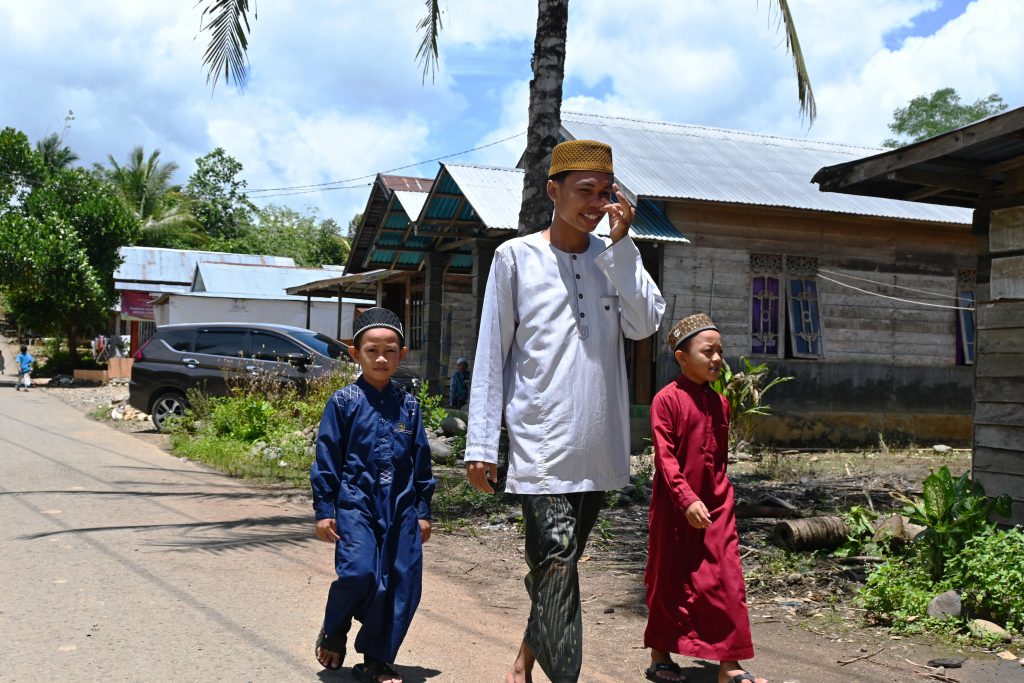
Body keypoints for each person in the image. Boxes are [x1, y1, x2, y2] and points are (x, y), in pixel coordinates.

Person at [465, 139, 666, 683]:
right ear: (553, 191)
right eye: (585, 191)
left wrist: (622, 248)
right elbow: (491, 353)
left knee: (561, 564)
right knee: (555, 556)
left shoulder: (617, 257)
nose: (596, 203)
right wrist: (482, 446)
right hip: (539, 442)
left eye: (605, 193)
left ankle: (526, 658)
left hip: (598, 445)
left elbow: (645, 324)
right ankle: (565, 676)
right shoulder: (515, 258)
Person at [310, 307, 436, 683]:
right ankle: (334, 629)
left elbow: (421, 460)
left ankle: (376, 661)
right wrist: (324, 510)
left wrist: (424, 510)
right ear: (355, 354)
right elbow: (327, 458)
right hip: (355, 504)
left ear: (403, 354)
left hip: (401, 506)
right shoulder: (344, 402)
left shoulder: (409, 405)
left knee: (401, 581)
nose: (381, 358)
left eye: (390, 350)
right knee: (359, 571)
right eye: (371, 350)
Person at [642, 314, 766, 683]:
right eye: (707, 351)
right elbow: (664, 457)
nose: (717, 359)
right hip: (674, 507)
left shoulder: (721, 403)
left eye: (720, 352)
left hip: (717, 503)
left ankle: (729, 664)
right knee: (669, 576)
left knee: (726, 578)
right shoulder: (666, 400)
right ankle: (660, 656)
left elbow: (719, 458)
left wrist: (714, 496)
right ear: (682, 357)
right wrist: (685, 499)